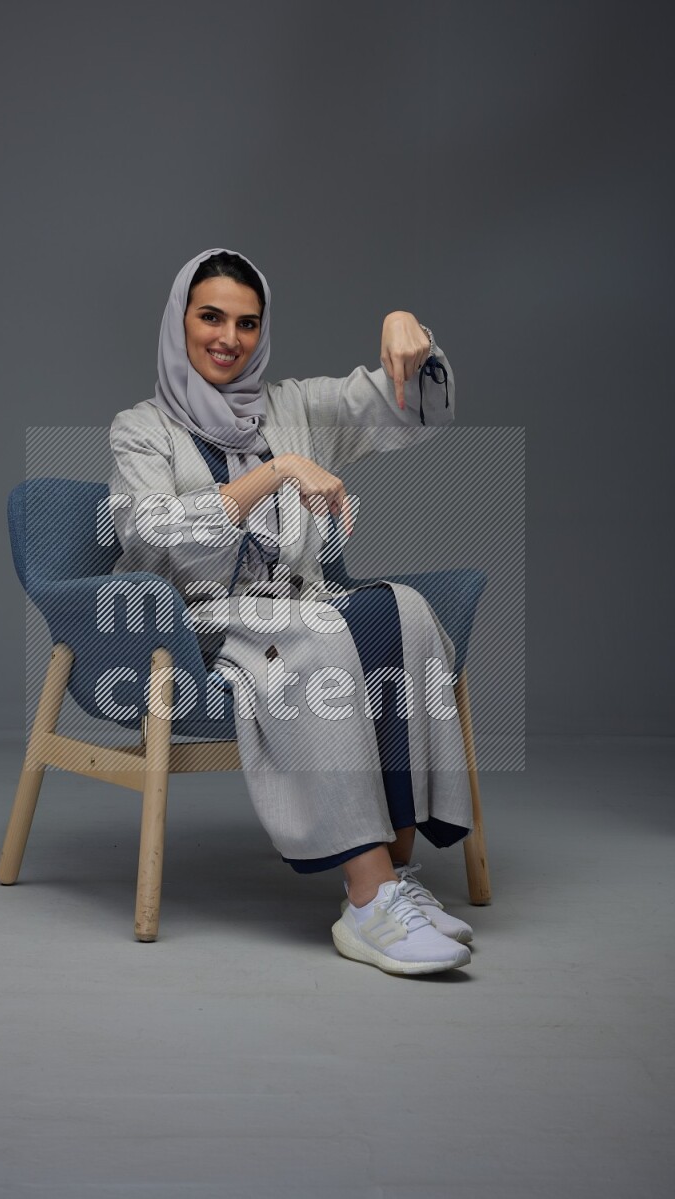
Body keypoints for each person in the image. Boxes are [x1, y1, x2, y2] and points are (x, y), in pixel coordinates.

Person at [108, 246, 475, 978]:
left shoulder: (295, 406)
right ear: (179, 319)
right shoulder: (139, 429)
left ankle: (397, 875)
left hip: (301, 604)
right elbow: (149, 533)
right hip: (198, 623)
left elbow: (410, 408)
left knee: (404, 613)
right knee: (315, 637)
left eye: (247, 323)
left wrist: (413, 333)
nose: (228, 338)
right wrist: (273, 472)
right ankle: (367, 900)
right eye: (210, 316)